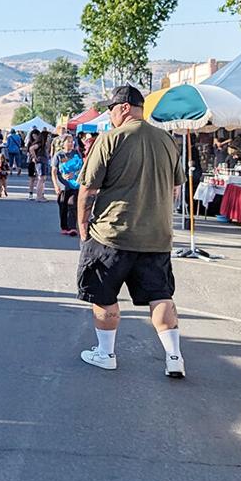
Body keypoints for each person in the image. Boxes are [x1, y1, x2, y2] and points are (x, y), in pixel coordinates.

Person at [77, 85, 187, 378]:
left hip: (113, 233)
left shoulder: (111, 138)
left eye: (111, 109)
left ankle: (106, 352)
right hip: (157, 235)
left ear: (123, 108)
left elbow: (88, 188)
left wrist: (83, 228)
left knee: (104, 294)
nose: (110, 115)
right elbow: (176, 187)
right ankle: (174, 356)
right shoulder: (166, 140)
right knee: (160, 296)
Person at [52, 133, 82, 236]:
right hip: (62, 185)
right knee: (63, 206)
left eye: (71, 141)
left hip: (74, 184)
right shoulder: (58, 155)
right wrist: (56, 185)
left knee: (72, 204)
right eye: (68, 141)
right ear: (63, 143)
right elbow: (54, 172)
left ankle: (72, 227)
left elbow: (82, 168)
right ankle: (64, 227)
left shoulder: (76, 154)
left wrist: (75, 174)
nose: (70, 143)